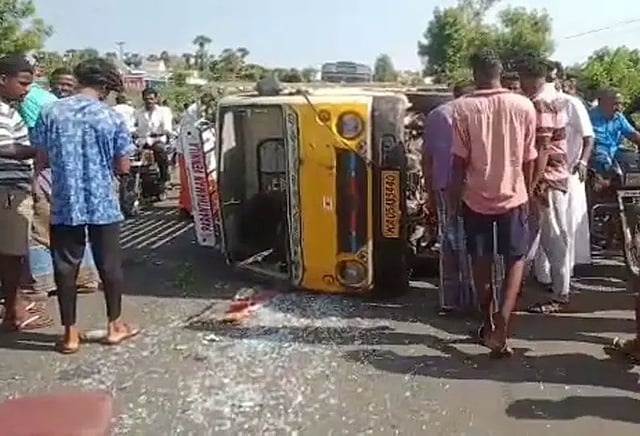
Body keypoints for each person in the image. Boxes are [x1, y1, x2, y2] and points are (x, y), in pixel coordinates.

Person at [31, 57, 140, 354]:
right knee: (110, 265)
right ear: (104, 85)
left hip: (64, 201)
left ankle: (70, 334)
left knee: (65, 267)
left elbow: (41, 156)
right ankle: (114, 326)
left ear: (78, 79)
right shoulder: (111, 116)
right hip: (103, 202)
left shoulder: (50, 111)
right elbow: (123, 165)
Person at [449, 48, 537, 356]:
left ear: (475, 74)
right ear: (500, 73)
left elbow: (459, 162)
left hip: (475, 197)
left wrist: (453, 202)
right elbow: (529, 158)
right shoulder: (524, 106)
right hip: (514, 195)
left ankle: (487, 322)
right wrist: (528, 192)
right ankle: (504, 320)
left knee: (480, 261)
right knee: (516, 259)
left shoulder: (462, 108)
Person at [0, 54, 53, 331]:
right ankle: (14, 313)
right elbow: (3, 147)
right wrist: (37, 151)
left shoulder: (8, 109)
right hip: (7, 193)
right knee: (12, 255)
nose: (27, 90)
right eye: (22, 83)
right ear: (3, 79)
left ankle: (15, 304)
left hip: (12, 189)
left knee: (12, 254)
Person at [516, 57, 572, 315]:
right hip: (551, 176)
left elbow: (543, 147)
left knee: (552, 238)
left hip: (547, 179)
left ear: (529, 77)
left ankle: (561, 294)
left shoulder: (541, 102)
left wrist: (534, 182)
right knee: (532, 235)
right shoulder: (553, 97)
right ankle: (516, 287)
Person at [533, 64, 594, 288]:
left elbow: (588, 136)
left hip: (564, 172)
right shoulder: (539, 102)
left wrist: (582, 161)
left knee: (561, 227)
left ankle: (562, 283)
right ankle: (545, 277)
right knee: (546, 230)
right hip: (549, 172)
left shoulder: (570, 103)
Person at [422, 82, 474, 315]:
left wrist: (429, 193)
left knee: (448, 242)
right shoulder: (475, 112)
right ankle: (471, 299)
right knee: (470, 244)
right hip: (472, 186)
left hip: (442, 186)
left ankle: (448, 300)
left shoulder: (436, 115)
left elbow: (427, 158)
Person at [177, 92, 216, 218]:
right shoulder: (192, 112)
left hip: (205, 147)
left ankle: (209, 205)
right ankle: (188, 207)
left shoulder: (210, 111)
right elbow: (192, 130)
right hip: (189, 149)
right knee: (188, 180)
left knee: (209, 178)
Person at [589, 88, 640, 179]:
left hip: (614, 154)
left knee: (633, 161)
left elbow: (633, 135)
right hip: (595, 158)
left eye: (620, 104)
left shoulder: (618, 117)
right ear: (602, 103)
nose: (618, 108)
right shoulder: (589, 118)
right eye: (615, 104)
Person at [134, 87, 172, 185]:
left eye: (151, 99)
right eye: (146, 99)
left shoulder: (164, 111)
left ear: (156, 99)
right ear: (143, 99)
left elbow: (167, 127)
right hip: (142, 141)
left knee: (160, 151)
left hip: (157, 139)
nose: (149, 101)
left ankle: (164, 177)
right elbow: (132, 125)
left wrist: (165, 132)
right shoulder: (138, 112)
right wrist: (133, 132)